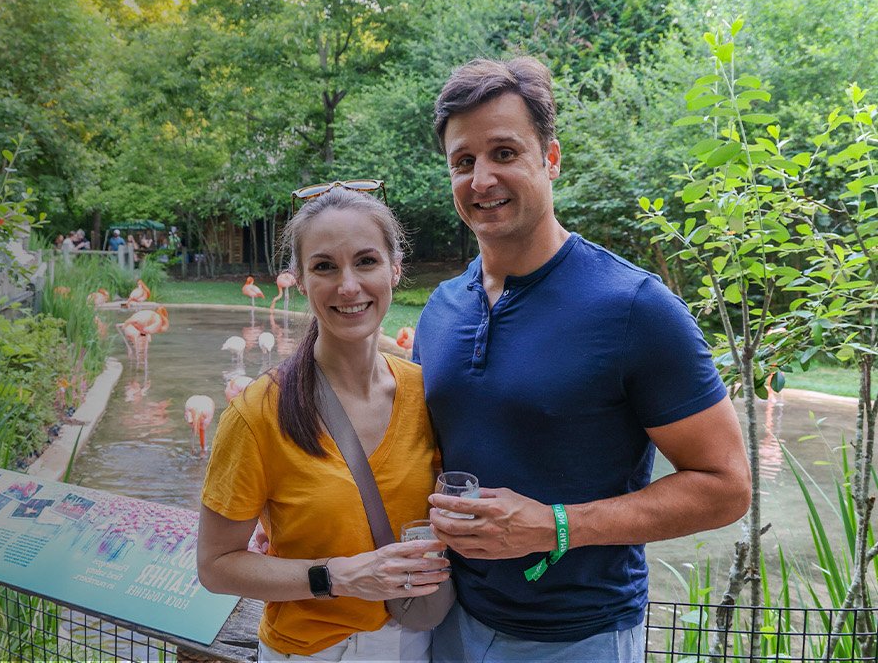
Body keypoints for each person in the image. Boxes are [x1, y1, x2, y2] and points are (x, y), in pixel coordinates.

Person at [412, 57, 751, 662]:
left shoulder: (634, 308)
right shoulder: (442, 308)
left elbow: (726, 487)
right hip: (445, 621)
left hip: (578, 639)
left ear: (551, 158)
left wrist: (557, 526)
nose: (482, 178)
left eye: (505, 153)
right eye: (463, 162)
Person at [199, 185, 454, 662]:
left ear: (395, 269)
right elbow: (215, 566)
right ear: (299, 279)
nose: (349, 286)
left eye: (366, 261)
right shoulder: (258, 412)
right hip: (313, 652)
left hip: (419, 645)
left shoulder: (426, 394)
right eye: (324, 267)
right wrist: (336, 576)